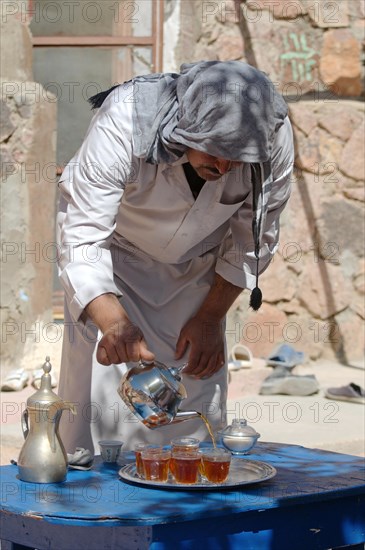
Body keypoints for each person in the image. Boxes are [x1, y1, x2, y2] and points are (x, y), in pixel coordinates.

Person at [57, 61, 294, 454]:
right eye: (216, 153)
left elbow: (253, 239)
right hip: (114, 257)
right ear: (187, 128)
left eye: (238, 160)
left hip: (198, 266)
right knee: (101, 402)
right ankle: (96, 502)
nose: (225, 168)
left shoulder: (272, 136)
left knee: (195, 395)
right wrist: (115, 324)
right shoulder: (126, 117)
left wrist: (210, 317)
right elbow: (83, 239)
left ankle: (190, 508)